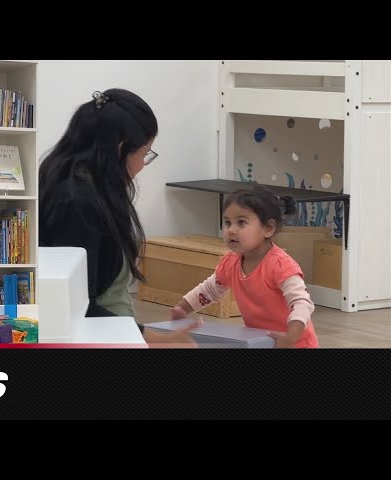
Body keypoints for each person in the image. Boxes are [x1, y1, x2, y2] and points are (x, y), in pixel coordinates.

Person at [39, 88, 198, 345]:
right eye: (145, 153)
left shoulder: (87, 186)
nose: (144, 163)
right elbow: (77, 306)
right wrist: (158, 339)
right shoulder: (76, 202)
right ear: (120, 147)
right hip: (101, 338)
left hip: (114, 332)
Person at [171, 185, 319, 348]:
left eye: (241, 223)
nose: (231, 230)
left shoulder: (281, 266)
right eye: (227, 223)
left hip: (295, 344)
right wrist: (182, 308)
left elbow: (301, 303)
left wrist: (290, 337)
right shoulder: (230, 263)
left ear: (268, 228)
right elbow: (208, 290)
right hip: (259, 343)